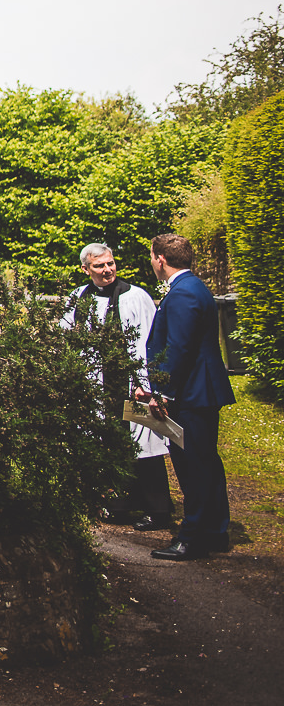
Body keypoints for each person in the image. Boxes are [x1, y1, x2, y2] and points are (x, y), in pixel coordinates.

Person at [139, 233, 236, 560]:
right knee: (207, 461)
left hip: (192, 392)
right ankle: (214, 531)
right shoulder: (194, 287)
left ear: (161, 259)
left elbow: (179, 348)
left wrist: (162, 392)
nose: (152, 261)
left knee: (193, 464)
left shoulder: (182, 295)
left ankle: (191, 538)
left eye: (152, 256)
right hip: (201, 389)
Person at [66, 242, 172, 529]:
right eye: (99, 266)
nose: (107, 270)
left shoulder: (135, 296)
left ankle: (158, 509)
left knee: (143, 448)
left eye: (110, 263)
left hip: (130, 384)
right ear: (86, 269)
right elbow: (67, 337)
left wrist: (147, 383)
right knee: (108, 447)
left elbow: (150, 342)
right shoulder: (78, 297)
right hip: (96, 386)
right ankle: (118, 505)